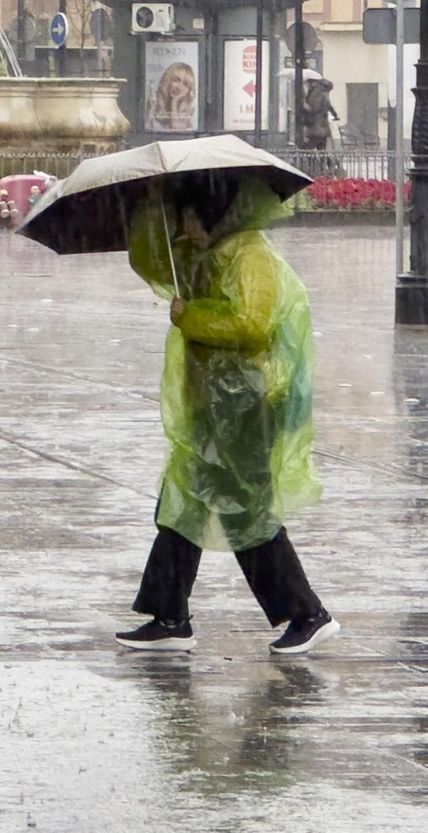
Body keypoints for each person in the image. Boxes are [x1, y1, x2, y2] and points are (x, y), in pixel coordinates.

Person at [116, 177, 336, 655]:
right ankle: (169, 615)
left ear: (212, 216)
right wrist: (151, 210)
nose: (185, 228)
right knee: (182, 507)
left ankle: (307, 613)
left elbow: (253, 325)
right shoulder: (211, 253)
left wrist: (189, 317)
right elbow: (152, 263)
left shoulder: (249, 255)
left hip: (247, 407)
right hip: (213, 405)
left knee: (247, 513)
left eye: (189, 218)